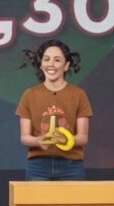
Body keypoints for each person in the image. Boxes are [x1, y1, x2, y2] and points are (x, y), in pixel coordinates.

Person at [15, 40, 93, 181]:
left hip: (72, 165)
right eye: (46, 59)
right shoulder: (29, 95)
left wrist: (67, 139)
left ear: (66, 66)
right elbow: (25, 137)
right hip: (38, 166)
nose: (51, 64)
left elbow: (83, 137)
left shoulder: (79, 95)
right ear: (41, 64)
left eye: (57, 60)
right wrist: (38, 141)